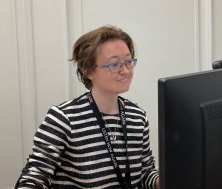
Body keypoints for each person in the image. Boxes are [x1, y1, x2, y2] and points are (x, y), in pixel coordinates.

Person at [15, 25, 160, 188]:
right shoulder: (63, 118)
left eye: (128, 61)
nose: (126, 71)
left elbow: (145, 173)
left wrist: (164, 179)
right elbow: (33, 179)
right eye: (114, 64)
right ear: (88, 71)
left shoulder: (137, 117)